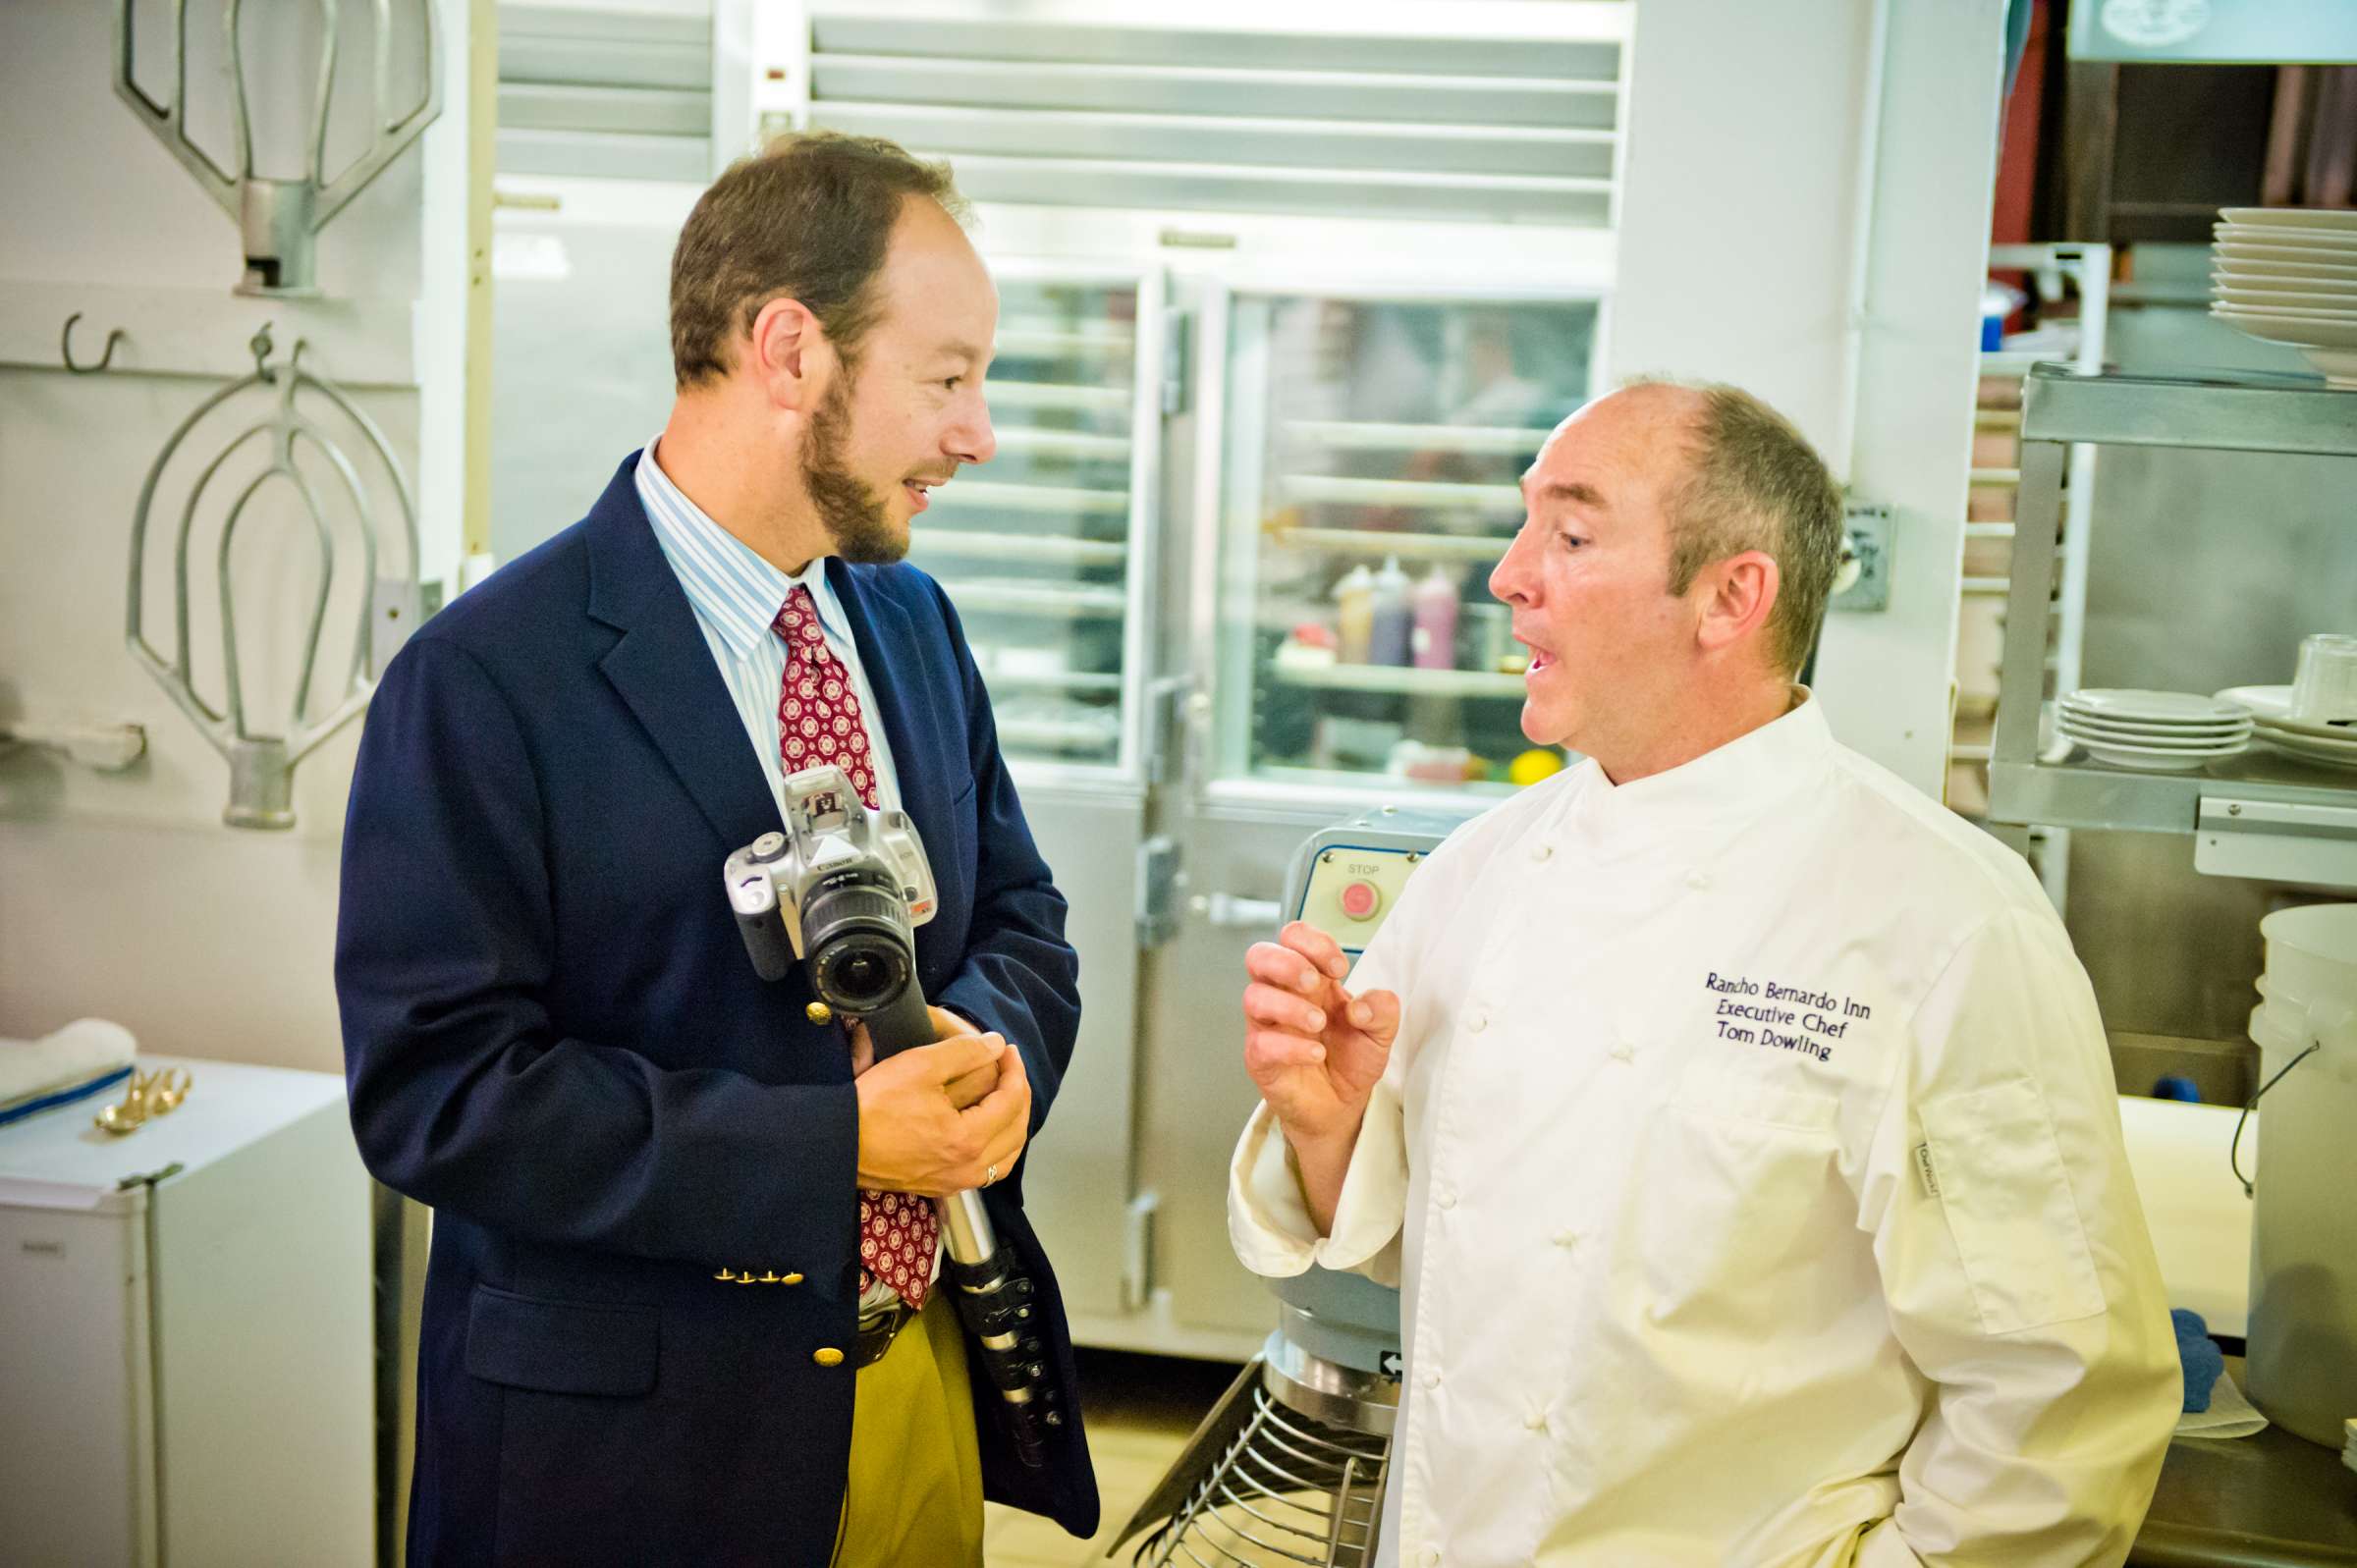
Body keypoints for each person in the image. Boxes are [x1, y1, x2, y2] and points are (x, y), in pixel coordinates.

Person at [1230, 379, 2179, 1567]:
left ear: (1733, 595)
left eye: (1570, 535)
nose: (1507, 575)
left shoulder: (1944, 925)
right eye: (1526, 526)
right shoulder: (1478, 874)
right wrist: (1330, 1131)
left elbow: (2060, 1399)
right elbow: (1447, 1259)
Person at [337, 133, 1097, 1567]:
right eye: (947, 378)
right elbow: (438, 1093)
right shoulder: (489, 681)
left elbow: (1024, 920)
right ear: (790, 349)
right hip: (633, 1456)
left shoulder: (911, 627)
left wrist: (988, 1061)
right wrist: (832, 1144)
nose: (978, 431)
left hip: (912, 1379)